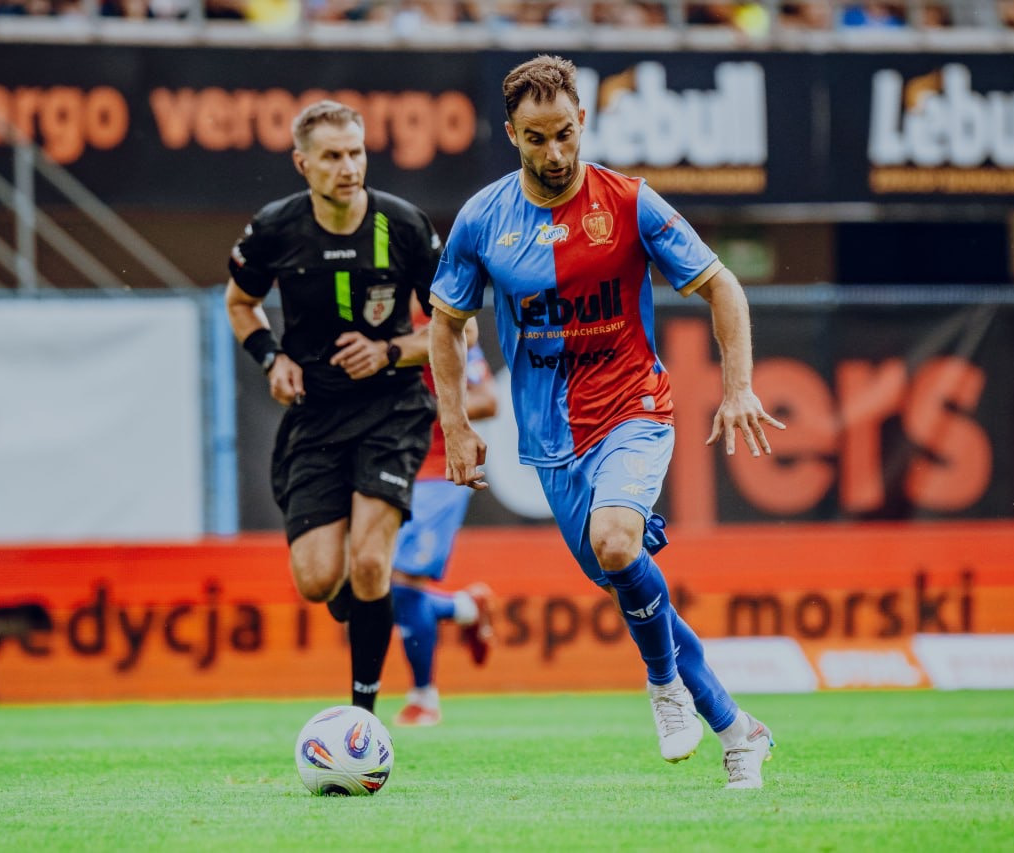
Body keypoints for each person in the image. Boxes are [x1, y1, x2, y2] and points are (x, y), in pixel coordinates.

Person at [427, 55, 786, 789]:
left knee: (617, 541)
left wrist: (737, 388)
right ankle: (738, 729)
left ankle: (662, 686)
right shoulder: (481, 219)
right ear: (511, 135)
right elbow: (445, 322)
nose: (555, 153)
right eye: (536, 139)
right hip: (548, 439)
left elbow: (723, 286)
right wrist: (456, 424)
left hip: (633, 408)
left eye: (565, 133)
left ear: (583, 120)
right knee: (629, 581)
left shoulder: (630, 203)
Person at [225, 100, 442, 714]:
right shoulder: (275, 227)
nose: (349, 167)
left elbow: (457, 328)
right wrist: (273, 359)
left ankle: (361, 722)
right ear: (303, 164)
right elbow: (239, 303)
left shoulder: (404, 225)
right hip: (316, 415)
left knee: (371, 564)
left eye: (356, 153)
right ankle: (363, 605)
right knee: (319, 580)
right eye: (332, 156)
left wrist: (390, 351)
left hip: (393, 409)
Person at [391, 314, 498, 727]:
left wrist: (420, 410)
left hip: (437, 471)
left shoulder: (444, 320)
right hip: (382, 467)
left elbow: (486, 400)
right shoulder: (373, 313)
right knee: (367, 587)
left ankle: (424, 698)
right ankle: (465, 607)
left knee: (403, 583)